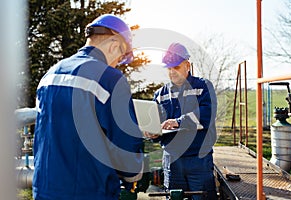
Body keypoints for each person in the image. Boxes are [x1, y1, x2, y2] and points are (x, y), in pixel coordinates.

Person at [33, 14, 144, 200]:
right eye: (120, 57)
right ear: (114, 45)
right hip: (89, 191)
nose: (118, 64)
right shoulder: (110, 79)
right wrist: (134, 174)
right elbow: (126, 148)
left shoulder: (50, 75)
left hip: (44, 190)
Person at [145, 43, 218, 200]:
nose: (172, 72)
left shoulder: (203, 87)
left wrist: (179, 121)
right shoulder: (159, 95)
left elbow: (207, 114)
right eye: (169, 68)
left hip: (198, 159)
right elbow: (157, 125)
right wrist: (152, 133)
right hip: (172, 161)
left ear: (187, 65)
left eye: (176, 67)